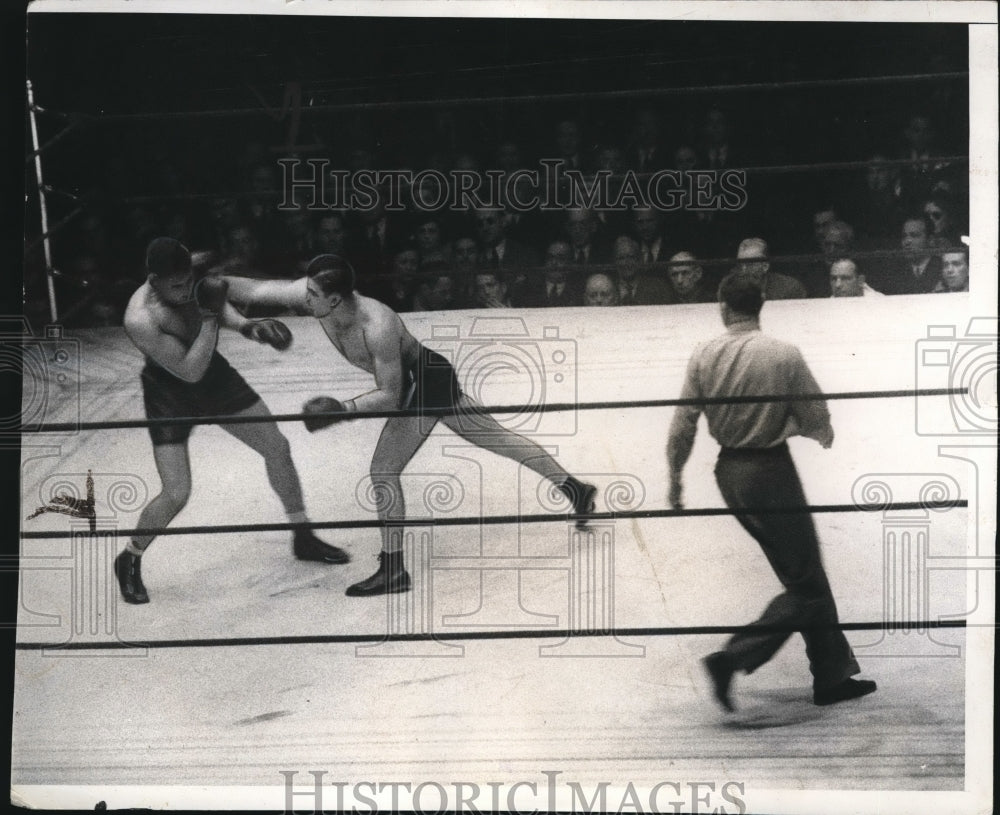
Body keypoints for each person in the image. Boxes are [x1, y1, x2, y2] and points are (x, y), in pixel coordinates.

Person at [226, 254, 597, 597]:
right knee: (497, 439)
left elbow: (390, 396)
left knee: (383, 470)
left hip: (421, 382)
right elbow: (256, 290)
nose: (304, 302)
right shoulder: (316, 293)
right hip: (429, 377)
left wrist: (342, 408)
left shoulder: (378, 324)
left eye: (312, 296)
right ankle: (576, 490)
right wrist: (209, 283)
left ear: (335, 299)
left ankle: (393, 570)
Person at [667, 270, 876, 710]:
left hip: (729, 471)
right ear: (761, 303)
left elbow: (683, 425)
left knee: (805, 576)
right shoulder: (783, 354)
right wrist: (804, 429)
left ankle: (832, 676)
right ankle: (732, 658)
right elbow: (817, 417)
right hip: (770, 471)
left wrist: (675, 478)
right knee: (807, 586)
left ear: (723, 307)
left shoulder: (704, 353)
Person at [116, 238, 348, 605]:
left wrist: (247, 327)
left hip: (214, 376)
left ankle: (303, 534)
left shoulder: (194, 277)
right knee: (176, 492)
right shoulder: (139, 318)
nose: (184, 291)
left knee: (277, 447)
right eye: (175, 286)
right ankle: (129, 557)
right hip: (170, 390)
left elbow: (219, 301)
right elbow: (190, 370)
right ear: (153, 280)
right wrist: (210, 317)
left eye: (188, 282)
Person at [736, 238, 808, 300]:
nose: (743, 269)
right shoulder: (731, 287)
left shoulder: (790, 288)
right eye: (740, 264)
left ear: (765, 266)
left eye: (750, 264)